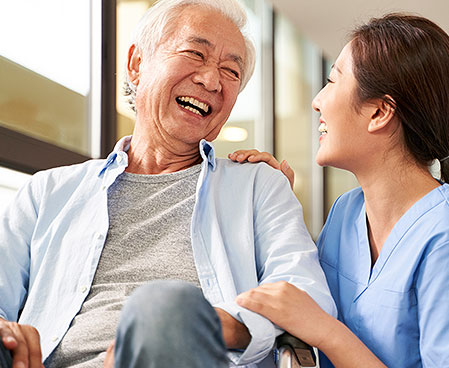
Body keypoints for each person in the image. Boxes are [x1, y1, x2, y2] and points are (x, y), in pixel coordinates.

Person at [0, 0, 336, 367]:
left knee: (163, 306)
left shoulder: (258, 186)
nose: (211, 80)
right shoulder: (47, 192)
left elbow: (306, 295)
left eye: (231, 71)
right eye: (195, 53)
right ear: (136, 64)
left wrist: (212, 323)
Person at [232, 13, 449, 368]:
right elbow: (299, 297)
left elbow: (313, 321)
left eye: (332, 81)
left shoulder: (441, 236)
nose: (317, 100)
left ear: (379, 112)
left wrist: (325, 331)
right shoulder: (347, 211)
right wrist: (274, 210)